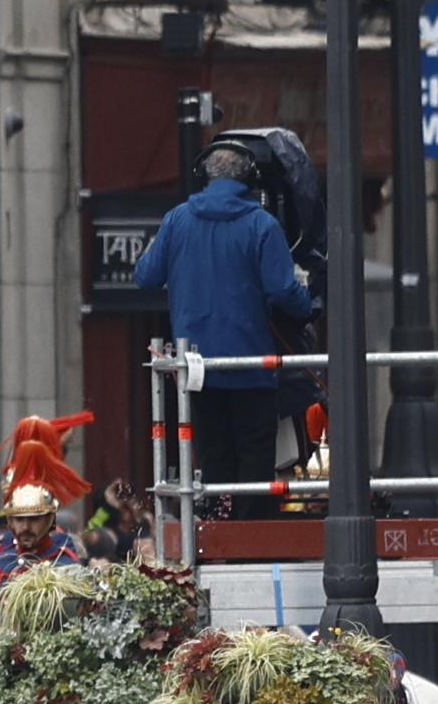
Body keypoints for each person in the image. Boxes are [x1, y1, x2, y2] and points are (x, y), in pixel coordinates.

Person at [128, 140, 312, 489]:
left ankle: (218, 525)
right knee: (255, 456)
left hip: (198, 367)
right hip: (252, 366)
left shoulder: (176, 219)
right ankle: (249, 531)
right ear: (250, 180)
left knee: (214, 456)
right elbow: (284, 292)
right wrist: (307, 303)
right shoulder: (262, 225)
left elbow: (146, 276)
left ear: (204, 175)